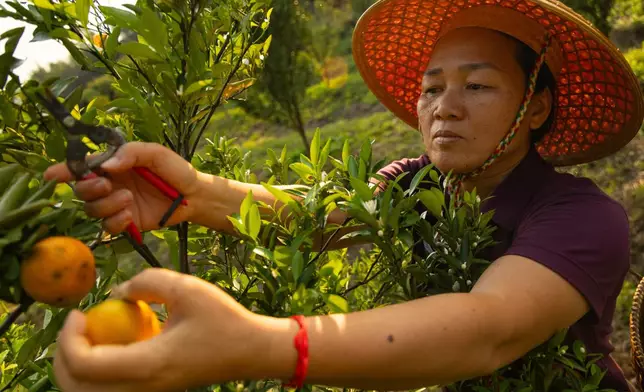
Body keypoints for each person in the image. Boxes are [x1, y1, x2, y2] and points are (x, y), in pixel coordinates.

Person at [44, 0, 644, 391]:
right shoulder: (415, 185)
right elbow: (314, 216)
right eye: (431, 88)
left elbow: (488, 328)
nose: (444, 107)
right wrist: (192, 193)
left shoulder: (582, 217)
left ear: (535, 107)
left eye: (478, 85)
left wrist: (268, 345)